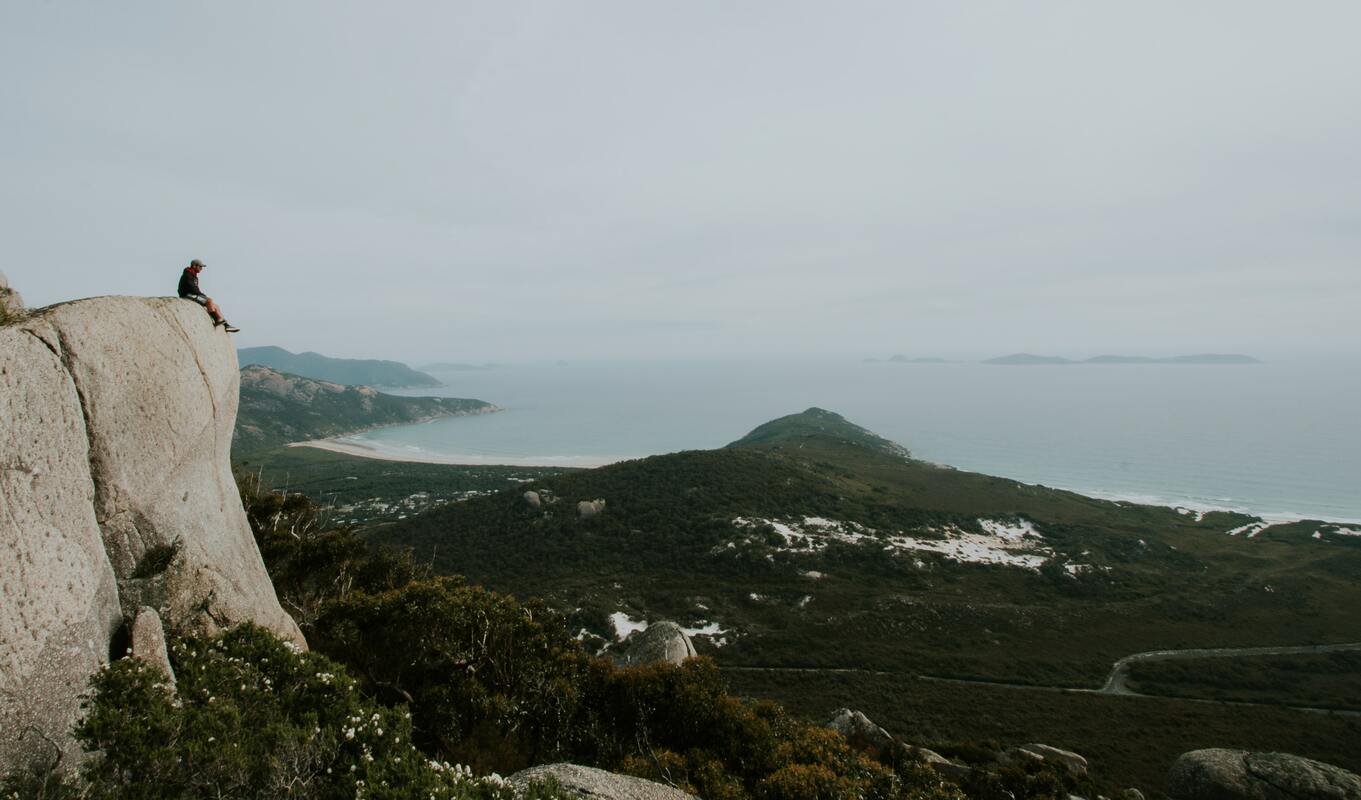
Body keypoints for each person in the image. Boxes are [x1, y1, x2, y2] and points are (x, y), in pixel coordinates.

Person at [177, 259, 239, 332]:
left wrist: (202, 295)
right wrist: (202, 295)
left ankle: (226, 326)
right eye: (200, 266)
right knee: (209, 301)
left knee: (216, 306)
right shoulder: (188, 274)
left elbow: (195, 289)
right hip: (187, 295)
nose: (201, 269)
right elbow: (192, 288)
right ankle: (217, 320)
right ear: (194, 266)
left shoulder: (193, 275)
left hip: (192, 294)